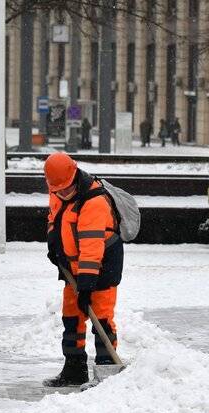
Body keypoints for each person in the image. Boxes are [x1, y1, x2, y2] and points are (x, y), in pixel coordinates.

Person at [43, 152, 124, 387]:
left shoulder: (93, 201)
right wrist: (53, 245)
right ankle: (74, 370)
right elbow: (54, 219)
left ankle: (107, 373)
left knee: (102, 319)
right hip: (73, 267)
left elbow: (91, 248)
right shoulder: (58, 188)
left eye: (67, 189)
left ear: (75, 175)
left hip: (101, 267)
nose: (63, 194)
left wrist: (87, 286)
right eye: (58, 190)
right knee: (71, 317)